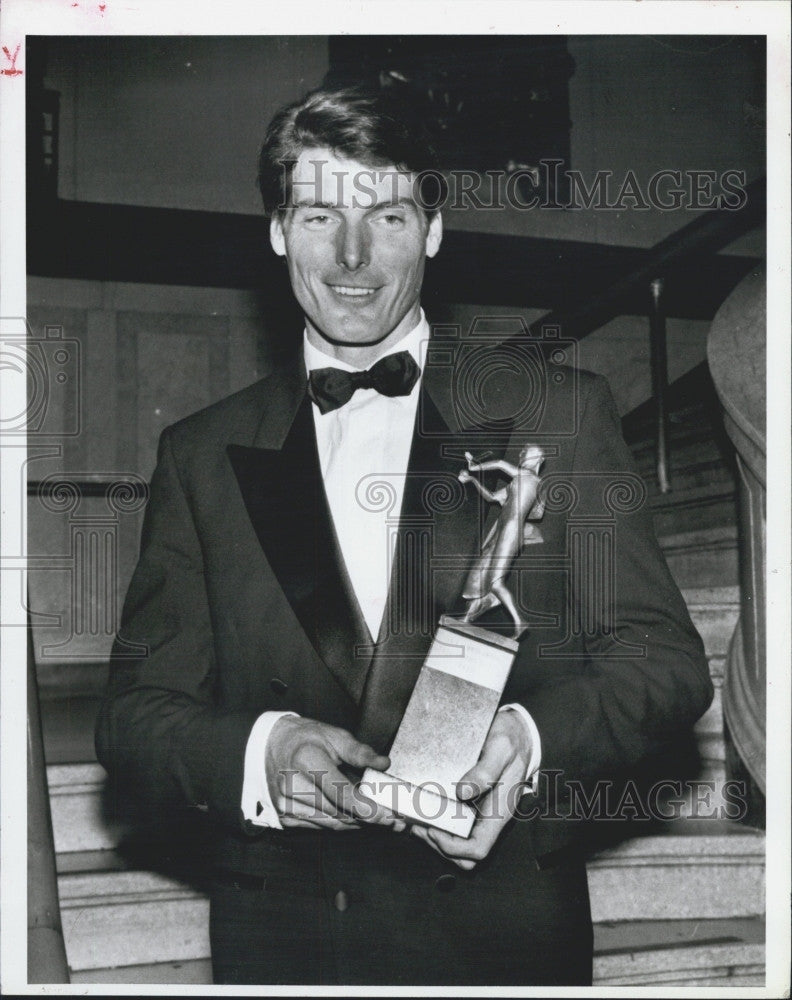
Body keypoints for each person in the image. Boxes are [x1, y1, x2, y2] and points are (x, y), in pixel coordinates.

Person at [95, 86, 712, 987]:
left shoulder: (560, 412)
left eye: (385, 214)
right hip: (288, 940)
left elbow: (664, 663)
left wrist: (532, 743)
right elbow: (134, 715)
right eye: (318, 214)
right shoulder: (197, 455)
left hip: (501, 937)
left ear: (431, 229)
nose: (352, 257)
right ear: (276, 231)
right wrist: (261, 751)